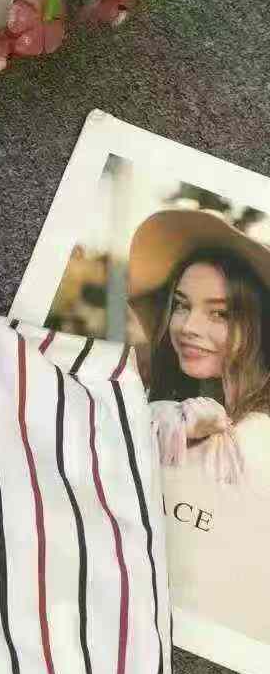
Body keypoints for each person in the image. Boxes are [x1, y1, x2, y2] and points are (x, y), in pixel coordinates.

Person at [128, 209, 270, 491]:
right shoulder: (158, 393)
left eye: (220, 313)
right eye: (181, 305)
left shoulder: (259, 436)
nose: (188, 327)